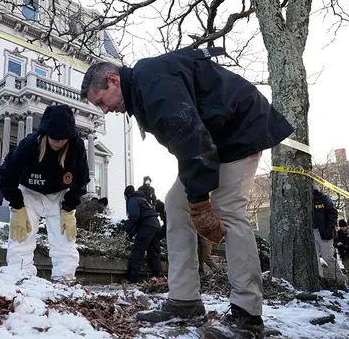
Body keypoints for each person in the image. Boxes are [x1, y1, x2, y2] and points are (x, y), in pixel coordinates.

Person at [81, 46, 293, 335]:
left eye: (102, 101)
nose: (105, 110)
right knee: (174, 204)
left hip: (239, 130)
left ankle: (248, 315)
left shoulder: (151, 82)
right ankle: (185, 301)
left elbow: (188, 134)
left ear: (113, 80)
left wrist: (201, 201)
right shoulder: (142, 91)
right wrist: (194, 199)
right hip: (211, 142)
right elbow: (188, 142)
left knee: (229, 208)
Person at [0, 104, 90, 281]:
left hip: (59, 197)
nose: (58, 143)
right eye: (55, 138)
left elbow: (81, 182)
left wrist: (69, 208)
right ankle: (20, 278)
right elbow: (5, 175)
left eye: (64, 139)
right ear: (46, 133)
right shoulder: (30, 145)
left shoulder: (76, 147)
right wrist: (17, 207)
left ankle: (65, 280)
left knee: (65, 240)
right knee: (21, 237)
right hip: (29, 195)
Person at [124, 185, 163, 283]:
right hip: (155, 224)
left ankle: (131, 279)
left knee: (138, 250)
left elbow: (134, 217)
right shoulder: (143, 200)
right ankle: (159, 276)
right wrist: (130, 235)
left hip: (147, 226)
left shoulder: (132, 199)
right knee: (154, 251)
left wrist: (126, 231)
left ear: (127, 195)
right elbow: (139, 222)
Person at [313, 189, 341, 283]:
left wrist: (330, 228)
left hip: (324, 232)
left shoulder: (324, 198)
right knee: (315, 259)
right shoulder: (304, 201)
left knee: (327, 256)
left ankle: (339, 280)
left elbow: (333, 213)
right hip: (311, 232)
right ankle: (320, 280)